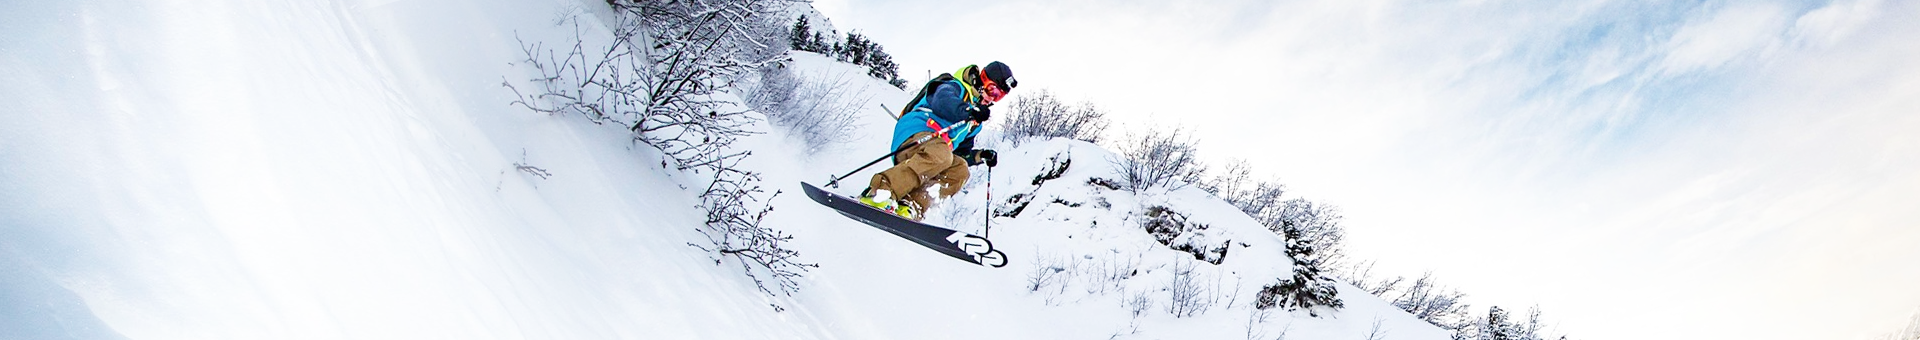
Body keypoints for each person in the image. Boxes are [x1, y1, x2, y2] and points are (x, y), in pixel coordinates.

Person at [861, 61, 1017, 220]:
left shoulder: (974, 125)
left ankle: (910, 205)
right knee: (942, 153)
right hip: (915, 133)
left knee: (960, 170)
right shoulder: (955, 86)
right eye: (992, 90)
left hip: (934, 155)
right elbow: (942, 100)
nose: (991, 98)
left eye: (998, 96)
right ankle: (880, 191)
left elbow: (961, 154)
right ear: (982, 79)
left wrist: (980, 156)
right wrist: (968, 110)